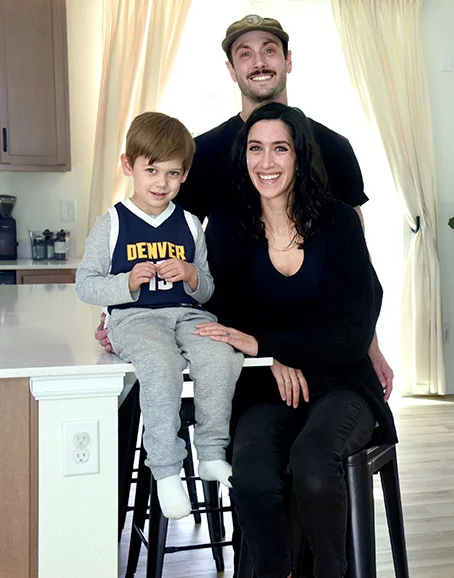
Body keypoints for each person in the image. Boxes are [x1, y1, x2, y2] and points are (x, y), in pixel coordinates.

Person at [194, 102, 397, 578]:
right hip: (265, 386)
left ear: (300, 156)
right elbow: (223, 321)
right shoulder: (224, 225)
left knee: (312, 460)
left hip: (342, 383)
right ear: (243, 157)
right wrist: (268, 356)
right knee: (251, 476)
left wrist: (270, 346)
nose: (266, 163)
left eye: (280, 149)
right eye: (255, 149)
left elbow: (352, 333)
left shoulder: (340, 221)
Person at [174, 13, 395, 399]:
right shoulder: (203, 154)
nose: (259, 62)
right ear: (231, 69)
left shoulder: (335, 149)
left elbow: (356, 264)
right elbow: (174, 245)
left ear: (288, 61)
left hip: (321, 344)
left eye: (270, 51)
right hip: (243, 343)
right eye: (245, 54)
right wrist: (127, 313)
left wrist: (369, 345)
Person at [76, 112, 243, 520]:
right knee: (161, 364)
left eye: (172, 173)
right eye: (151, 170)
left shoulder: (189, 224)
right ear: (128, 165)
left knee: (222, 354)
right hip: (134, 318)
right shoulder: (111, 223)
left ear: (184, 176)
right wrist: (126, 283)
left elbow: (207, 289)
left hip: (185, 315)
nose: (161, 183)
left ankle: (210, 452)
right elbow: (86, 284)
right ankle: (166, 471)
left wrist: (190, 275)